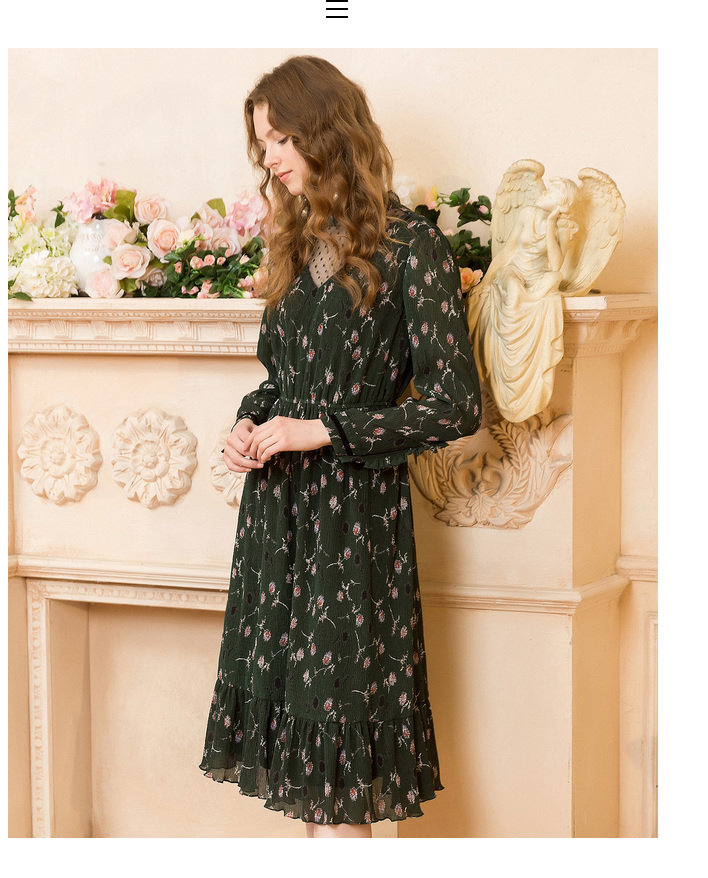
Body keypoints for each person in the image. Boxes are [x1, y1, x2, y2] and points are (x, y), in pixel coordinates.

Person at [199, 55, 482, 838]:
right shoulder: (295, 246)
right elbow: (282, 380)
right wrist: (249, 425)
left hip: (351, 526)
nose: (271, 158)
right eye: (263, 143)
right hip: (276, 518)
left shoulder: (411, 247)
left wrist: (324, 429)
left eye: (282, 138)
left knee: (339, 782)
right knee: (305, 774)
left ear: (327, 131)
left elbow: (456, 405)